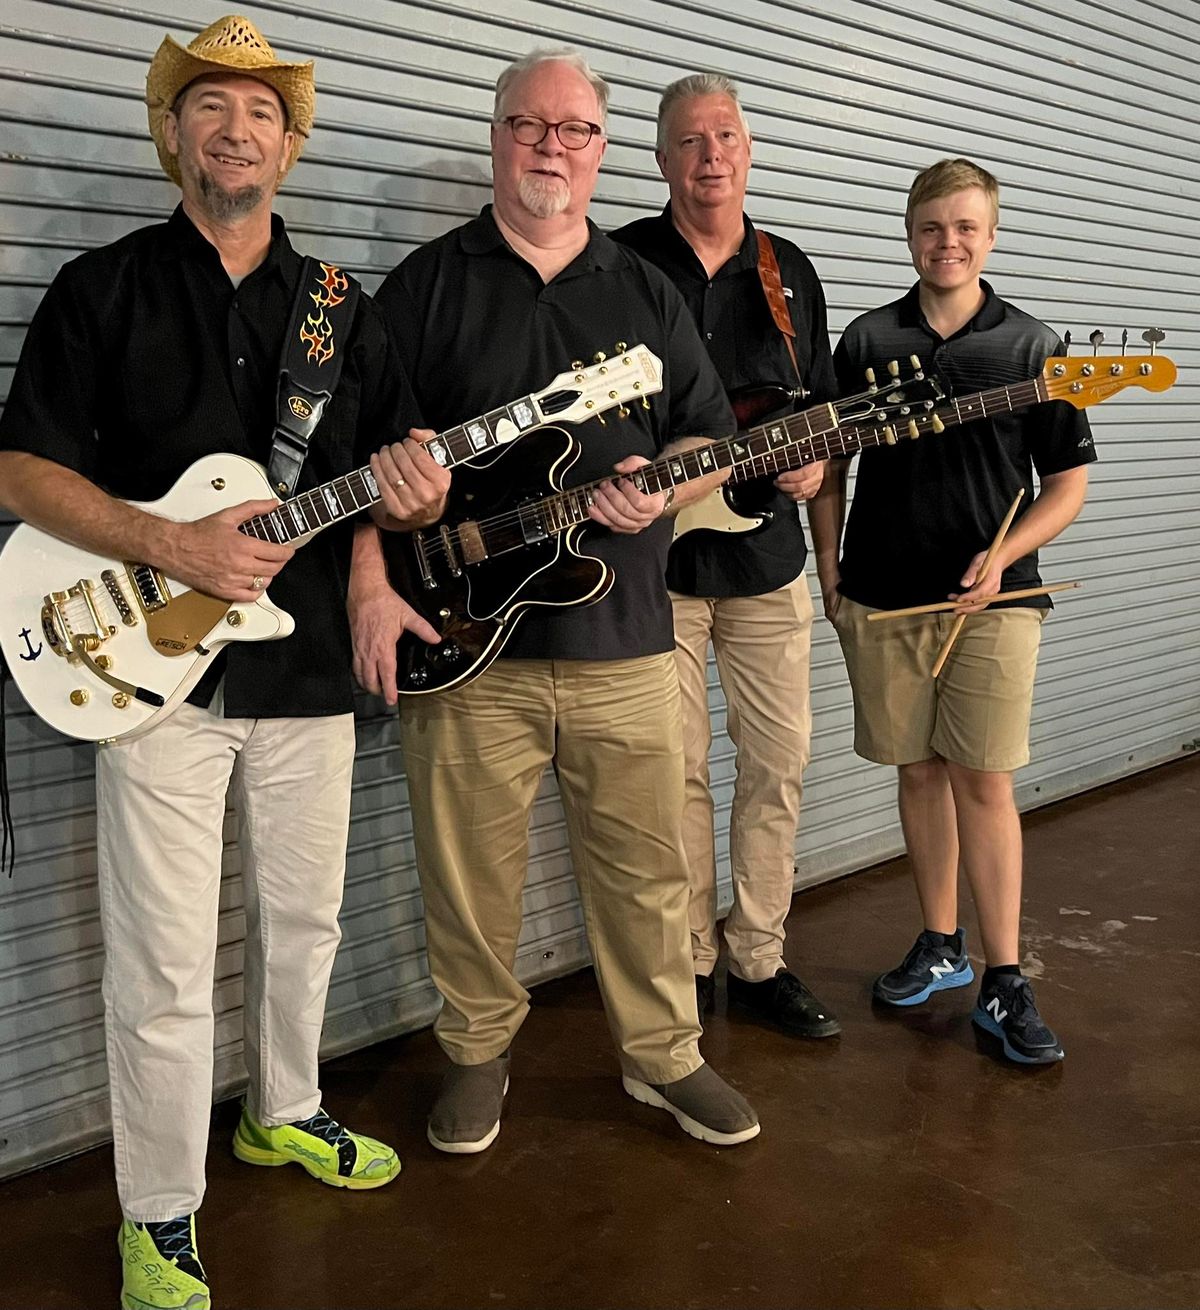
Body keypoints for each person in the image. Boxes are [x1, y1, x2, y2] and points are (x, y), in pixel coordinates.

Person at [0, 16, 448, 1309]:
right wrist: (164, 539)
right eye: (209, 109)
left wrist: (406, 509)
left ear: (290, 144)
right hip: (151, 678)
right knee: (164, 957)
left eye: (258, 112)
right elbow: (19, 467)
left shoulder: (344, 312)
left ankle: (285, 1108)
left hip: (302, 672)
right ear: (173, 136)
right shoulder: (105, 289)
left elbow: (385, 488)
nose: (234, 130)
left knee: (304, 923)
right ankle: (157, 1211)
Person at [349, 48, 762, 1153]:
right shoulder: (425, 287)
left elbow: (707, 436)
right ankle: (478, 1054)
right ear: (498, 135)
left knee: (646, 867)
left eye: (573, 130)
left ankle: (664, 1056)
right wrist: (397, 506)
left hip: (624, 635)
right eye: (529, 125)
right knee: (468, 874)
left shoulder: (644, 290)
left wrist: (665, 483)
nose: (550, 148)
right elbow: (359, 467)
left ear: (601, 149)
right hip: (465, 641)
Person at [808, 157, 1095, 1065]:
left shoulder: (1033, 346)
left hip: (995, 603)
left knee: (985, 780)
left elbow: (1068, 486)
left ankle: (1005, 979)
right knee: (919, 773)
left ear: (992, 235)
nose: (950, 243)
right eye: (934, 227)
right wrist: (829, 569)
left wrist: (1002, 557)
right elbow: (829, 466)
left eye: (967, 227)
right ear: (909, 232)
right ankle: (940, 945)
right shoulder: (863, 340)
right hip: (885, 598)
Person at [612, 74, 840, 1039]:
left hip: (767, 564)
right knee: (673, 778)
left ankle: (758, 957)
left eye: (727, 137)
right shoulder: (616, 262)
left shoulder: (789, 270)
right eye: (690, 141)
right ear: (661, 159)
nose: (711, 156)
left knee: (777, 764)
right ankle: (689, 964)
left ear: (748, 150)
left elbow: (823, 412)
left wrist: (817, 461)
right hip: (649, 569)